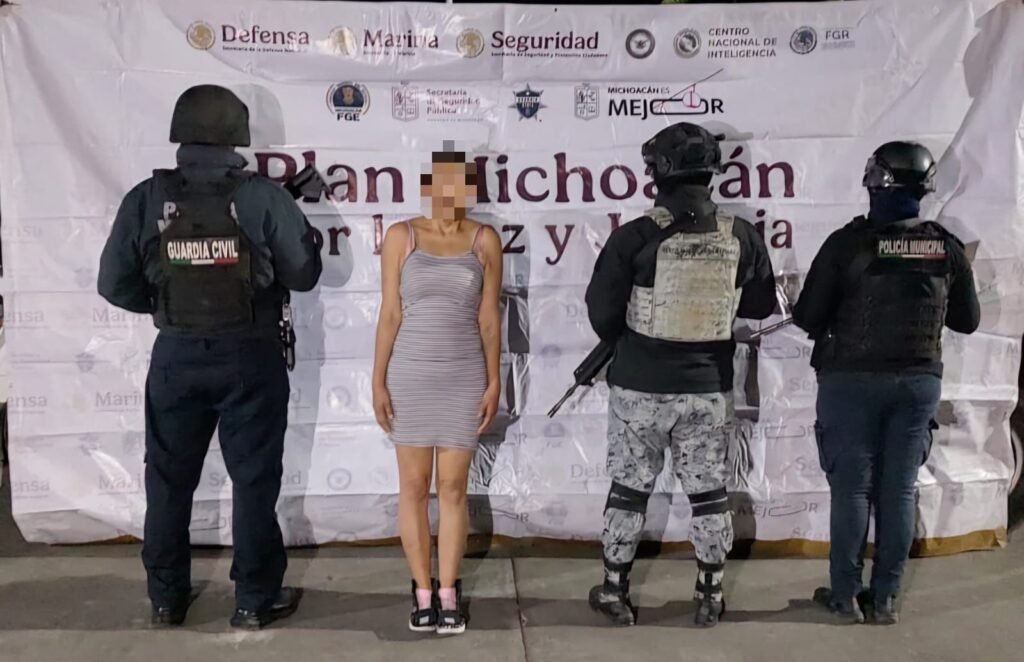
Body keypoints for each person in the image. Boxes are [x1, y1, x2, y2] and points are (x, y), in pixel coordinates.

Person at [97, 84, 323, 630]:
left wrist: (165, 307)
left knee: (168, 481)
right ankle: (253, 600)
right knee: (254, 482)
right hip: (250, 354)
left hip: (176, 356)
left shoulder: (146, 198)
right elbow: (304, 275)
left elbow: (112, 283)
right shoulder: (262, 197)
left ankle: (166, 599)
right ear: (236, 137)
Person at [585, 122, 776, 627]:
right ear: (713, 170)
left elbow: (602, 317)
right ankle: (709, 595)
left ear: (658, 171)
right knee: (710, 496)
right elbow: (760, 305)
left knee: (629, 492)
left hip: (639, 388)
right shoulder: (742, 235)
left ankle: (614, 591)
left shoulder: (634, 237)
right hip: (708, 389)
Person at [793, 141, 981, 626]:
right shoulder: (945, 246)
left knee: (852, 491)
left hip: (851, 381)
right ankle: (886, 599)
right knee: (898, 491)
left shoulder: (846, 244)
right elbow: (968, 321)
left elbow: (808, 316)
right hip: (918, 382)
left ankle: (845, 595)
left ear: (875, 182)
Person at [372, 146, 503, 635]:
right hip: (409, 376)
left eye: (459, 183)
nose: (449, 193)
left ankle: (448, 591)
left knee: (452, 488)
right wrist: (377, 379)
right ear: (427, 187)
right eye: (440, 182)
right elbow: (390, 313)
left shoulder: (485, 240)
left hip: (462, 377)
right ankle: (422, 591)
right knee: (412, 487)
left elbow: (489, 317)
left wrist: (494, 379)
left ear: (471, 189)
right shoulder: (401, 236)